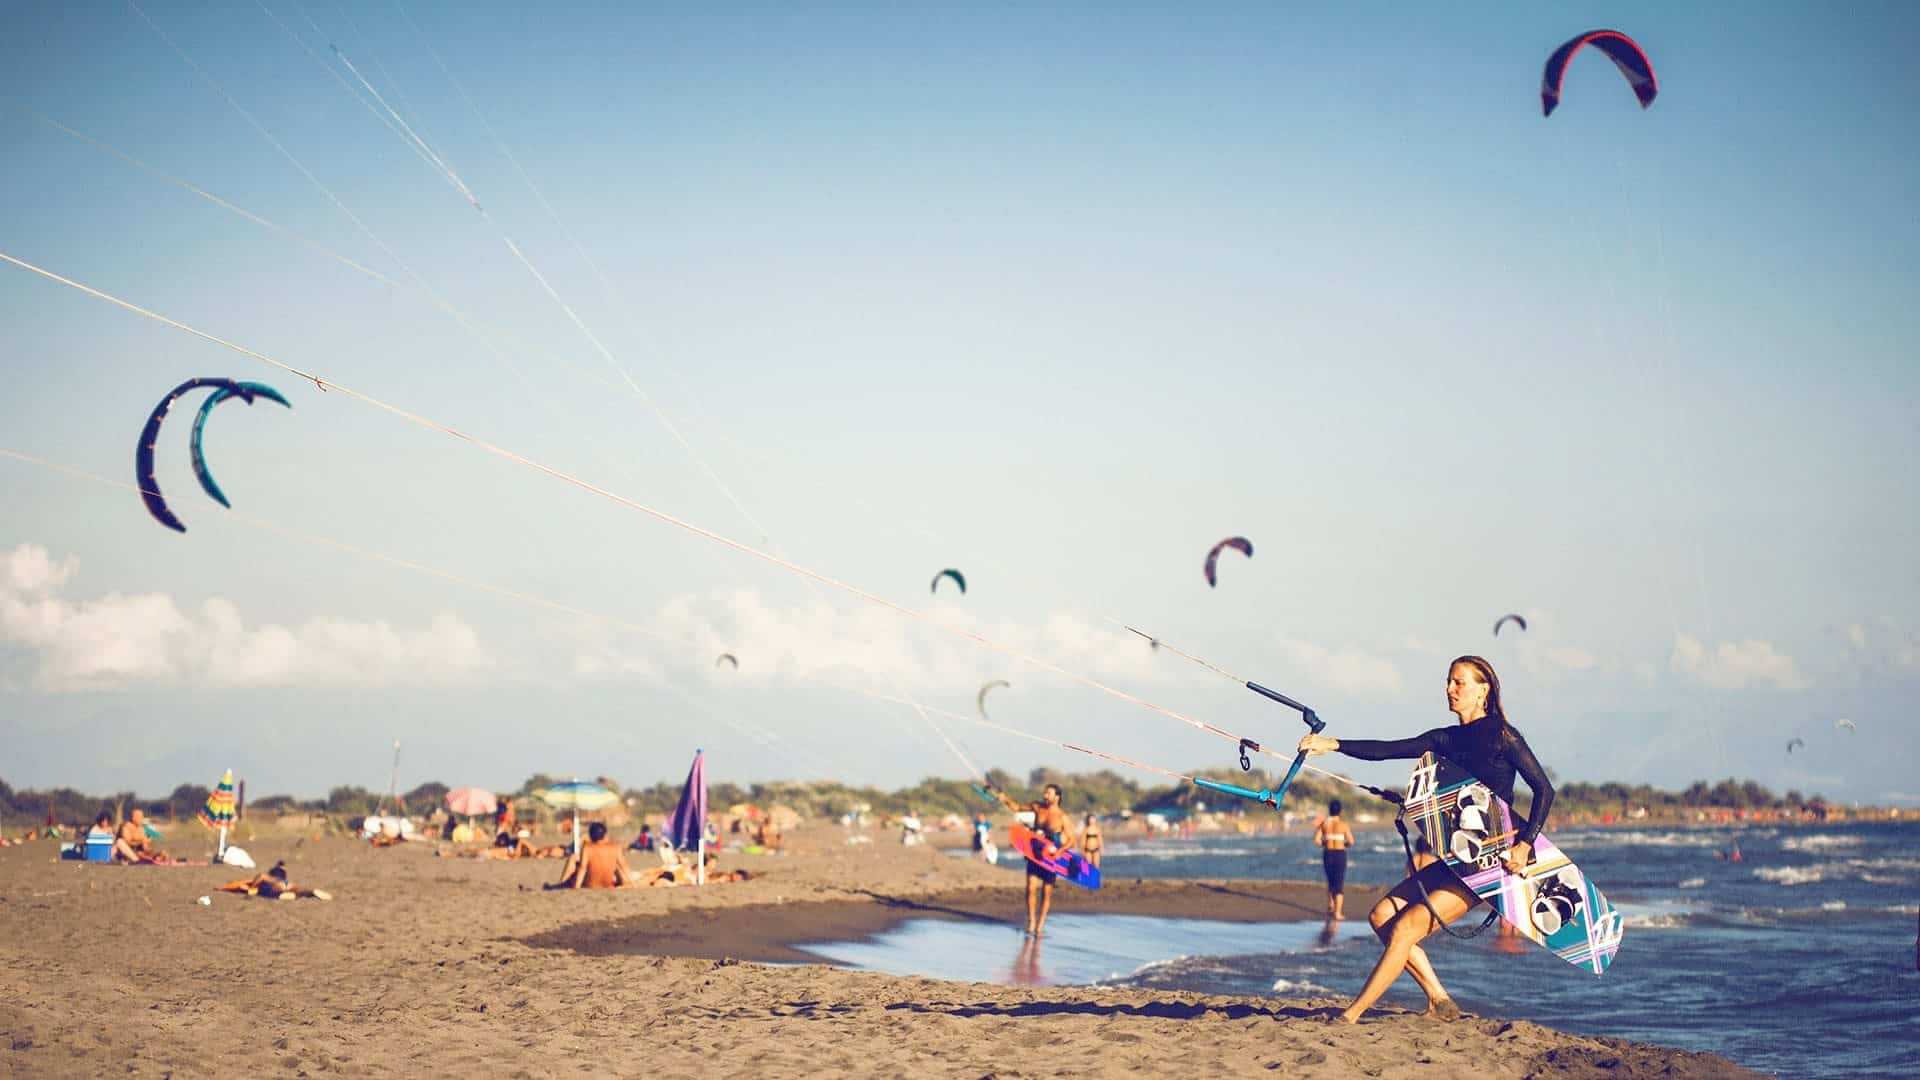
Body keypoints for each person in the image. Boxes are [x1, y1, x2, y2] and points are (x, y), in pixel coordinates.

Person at [1297, 655, 1554, 1024]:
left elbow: (1544, 791)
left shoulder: (1504, 736)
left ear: (1484, 690)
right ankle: (1437, 998)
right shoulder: (1444, 739)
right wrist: (1334, 744)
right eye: (1448, 681)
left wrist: (1526, 844)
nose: (1450, 689)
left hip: (1491, 865)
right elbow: (1387, 749)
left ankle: (1351, 1015)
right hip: (1457, 857)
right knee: (1381, 915)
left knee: (1404, 929)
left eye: (1459, 682)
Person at [987, 782, 1077, 937]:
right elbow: (1016, 808)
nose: (1045, 795)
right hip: (1034, 853)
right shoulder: (1037, 807)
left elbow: (1072, 840)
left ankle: (1040, 925)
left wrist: (1060, 852)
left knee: (1046, 893)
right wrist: (1004, 798)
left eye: (1048, 793)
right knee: (1030, 888)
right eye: (1045, 792)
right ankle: (1031, 921)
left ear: (1057, 797)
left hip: (1051, 857)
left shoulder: (1062, 817)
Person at [558, 822, 637, 889]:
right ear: (605, 834)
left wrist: (577, 887)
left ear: (590, 835)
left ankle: (559, 885)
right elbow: (624, 868)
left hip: (590, 885)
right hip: (609, 885)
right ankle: (560, 885)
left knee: (572, 874)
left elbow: (582, 869)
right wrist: (633, 884)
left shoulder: (587, 848)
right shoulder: (616, 848)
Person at [1314, 799, 1355, 919]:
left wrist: (1326, 844)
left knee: (1330, 880)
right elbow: (1351, 842)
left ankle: (1331, 905)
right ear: (1340, 811)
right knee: (1339, 882)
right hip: (1339, 854)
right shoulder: (1344, 825)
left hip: (1327, 853)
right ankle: (1337, 912)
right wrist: (1343, 845)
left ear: (1329, 810)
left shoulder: (1324, 824)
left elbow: (1316, 840)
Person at [219, 860, 332, 900]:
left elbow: (261, 877)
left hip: (277, 886)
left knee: (275, 891)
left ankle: (282, 895)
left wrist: (252, 887)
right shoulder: (283, 879)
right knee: (298, 890)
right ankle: (310, 892)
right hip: (287, 884)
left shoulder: (268, 877)